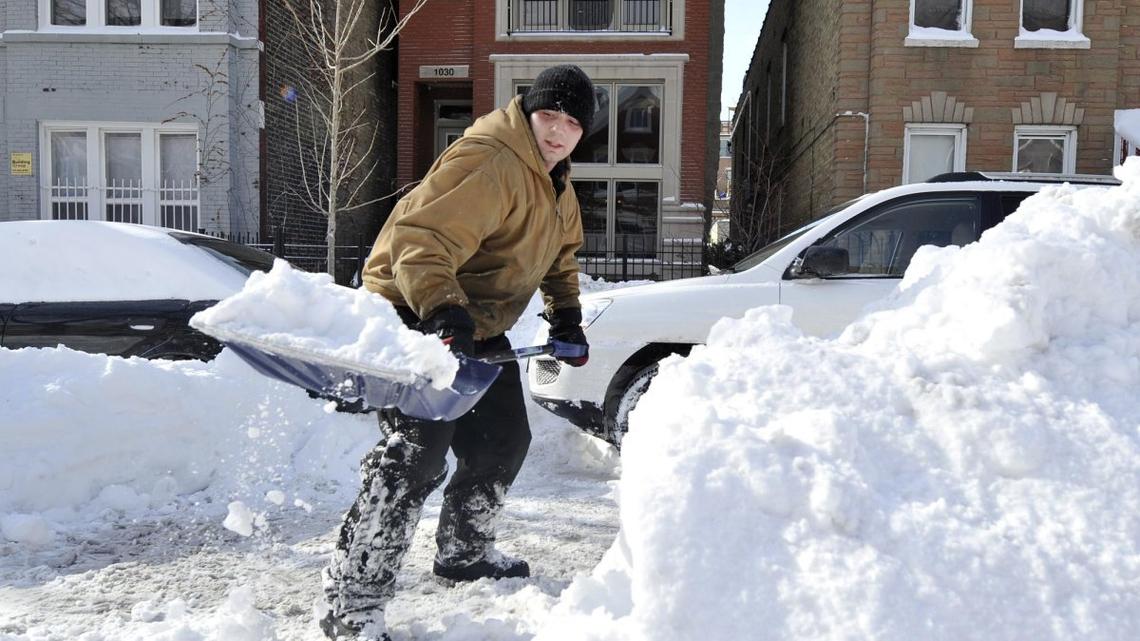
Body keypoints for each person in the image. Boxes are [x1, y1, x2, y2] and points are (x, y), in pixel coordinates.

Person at [319, 64, 597, 641]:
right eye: (549, 115)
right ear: (527, 111)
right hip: (418, 314)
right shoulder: (490, 160)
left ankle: (463, 552)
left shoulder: (556, 183)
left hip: (476, 324)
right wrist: (443, 312)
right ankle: (353, 603)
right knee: (415, 458)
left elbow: (560, 256)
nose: (558, 131)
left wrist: (566, 314)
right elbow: (419, 242)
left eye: (572, 123)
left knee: (502, 442)